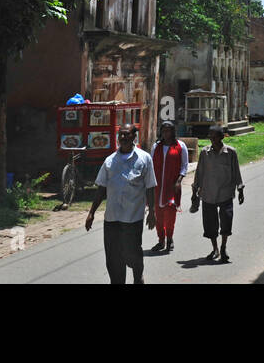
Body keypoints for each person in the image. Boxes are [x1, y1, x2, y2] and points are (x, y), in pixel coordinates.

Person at [85, 123, 157, 284]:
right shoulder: (110, 161)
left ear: (134, 137)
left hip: (133, 219)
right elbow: (101, 188)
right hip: (112, 219)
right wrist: (91, 213)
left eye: (127, 134)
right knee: (113, 258)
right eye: (121, 135)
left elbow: (150, 187)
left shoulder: (144, 159)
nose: (123, 137)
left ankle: (138, 276)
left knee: (132, 255)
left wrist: (152, 212)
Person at [189, 124, 244, 263]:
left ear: (221, 137)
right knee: (210, 225)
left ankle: (224, 246)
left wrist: (240, 189)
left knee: (226, 221)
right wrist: (195, 190)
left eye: (215, 136)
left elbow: (236, 171)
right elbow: (199, 173)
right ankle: (215, 249)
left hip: (225, 193)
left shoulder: (231, 152)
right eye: (210, 136)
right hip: (208, 193)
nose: (212, 139)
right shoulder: (204, 153)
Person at [150, 119, 190, 253]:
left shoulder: (180, 146)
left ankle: (169, 239)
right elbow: (151, 166)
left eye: (169, 131)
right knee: (158, 215)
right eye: (164, 131)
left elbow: (184, 165)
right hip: (157, 186)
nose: (166, 133)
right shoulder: (156, 147)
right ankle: (160, 240)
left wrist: (179, 180)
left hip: (172, 186)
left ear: (173, 132)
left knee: (170, 214)